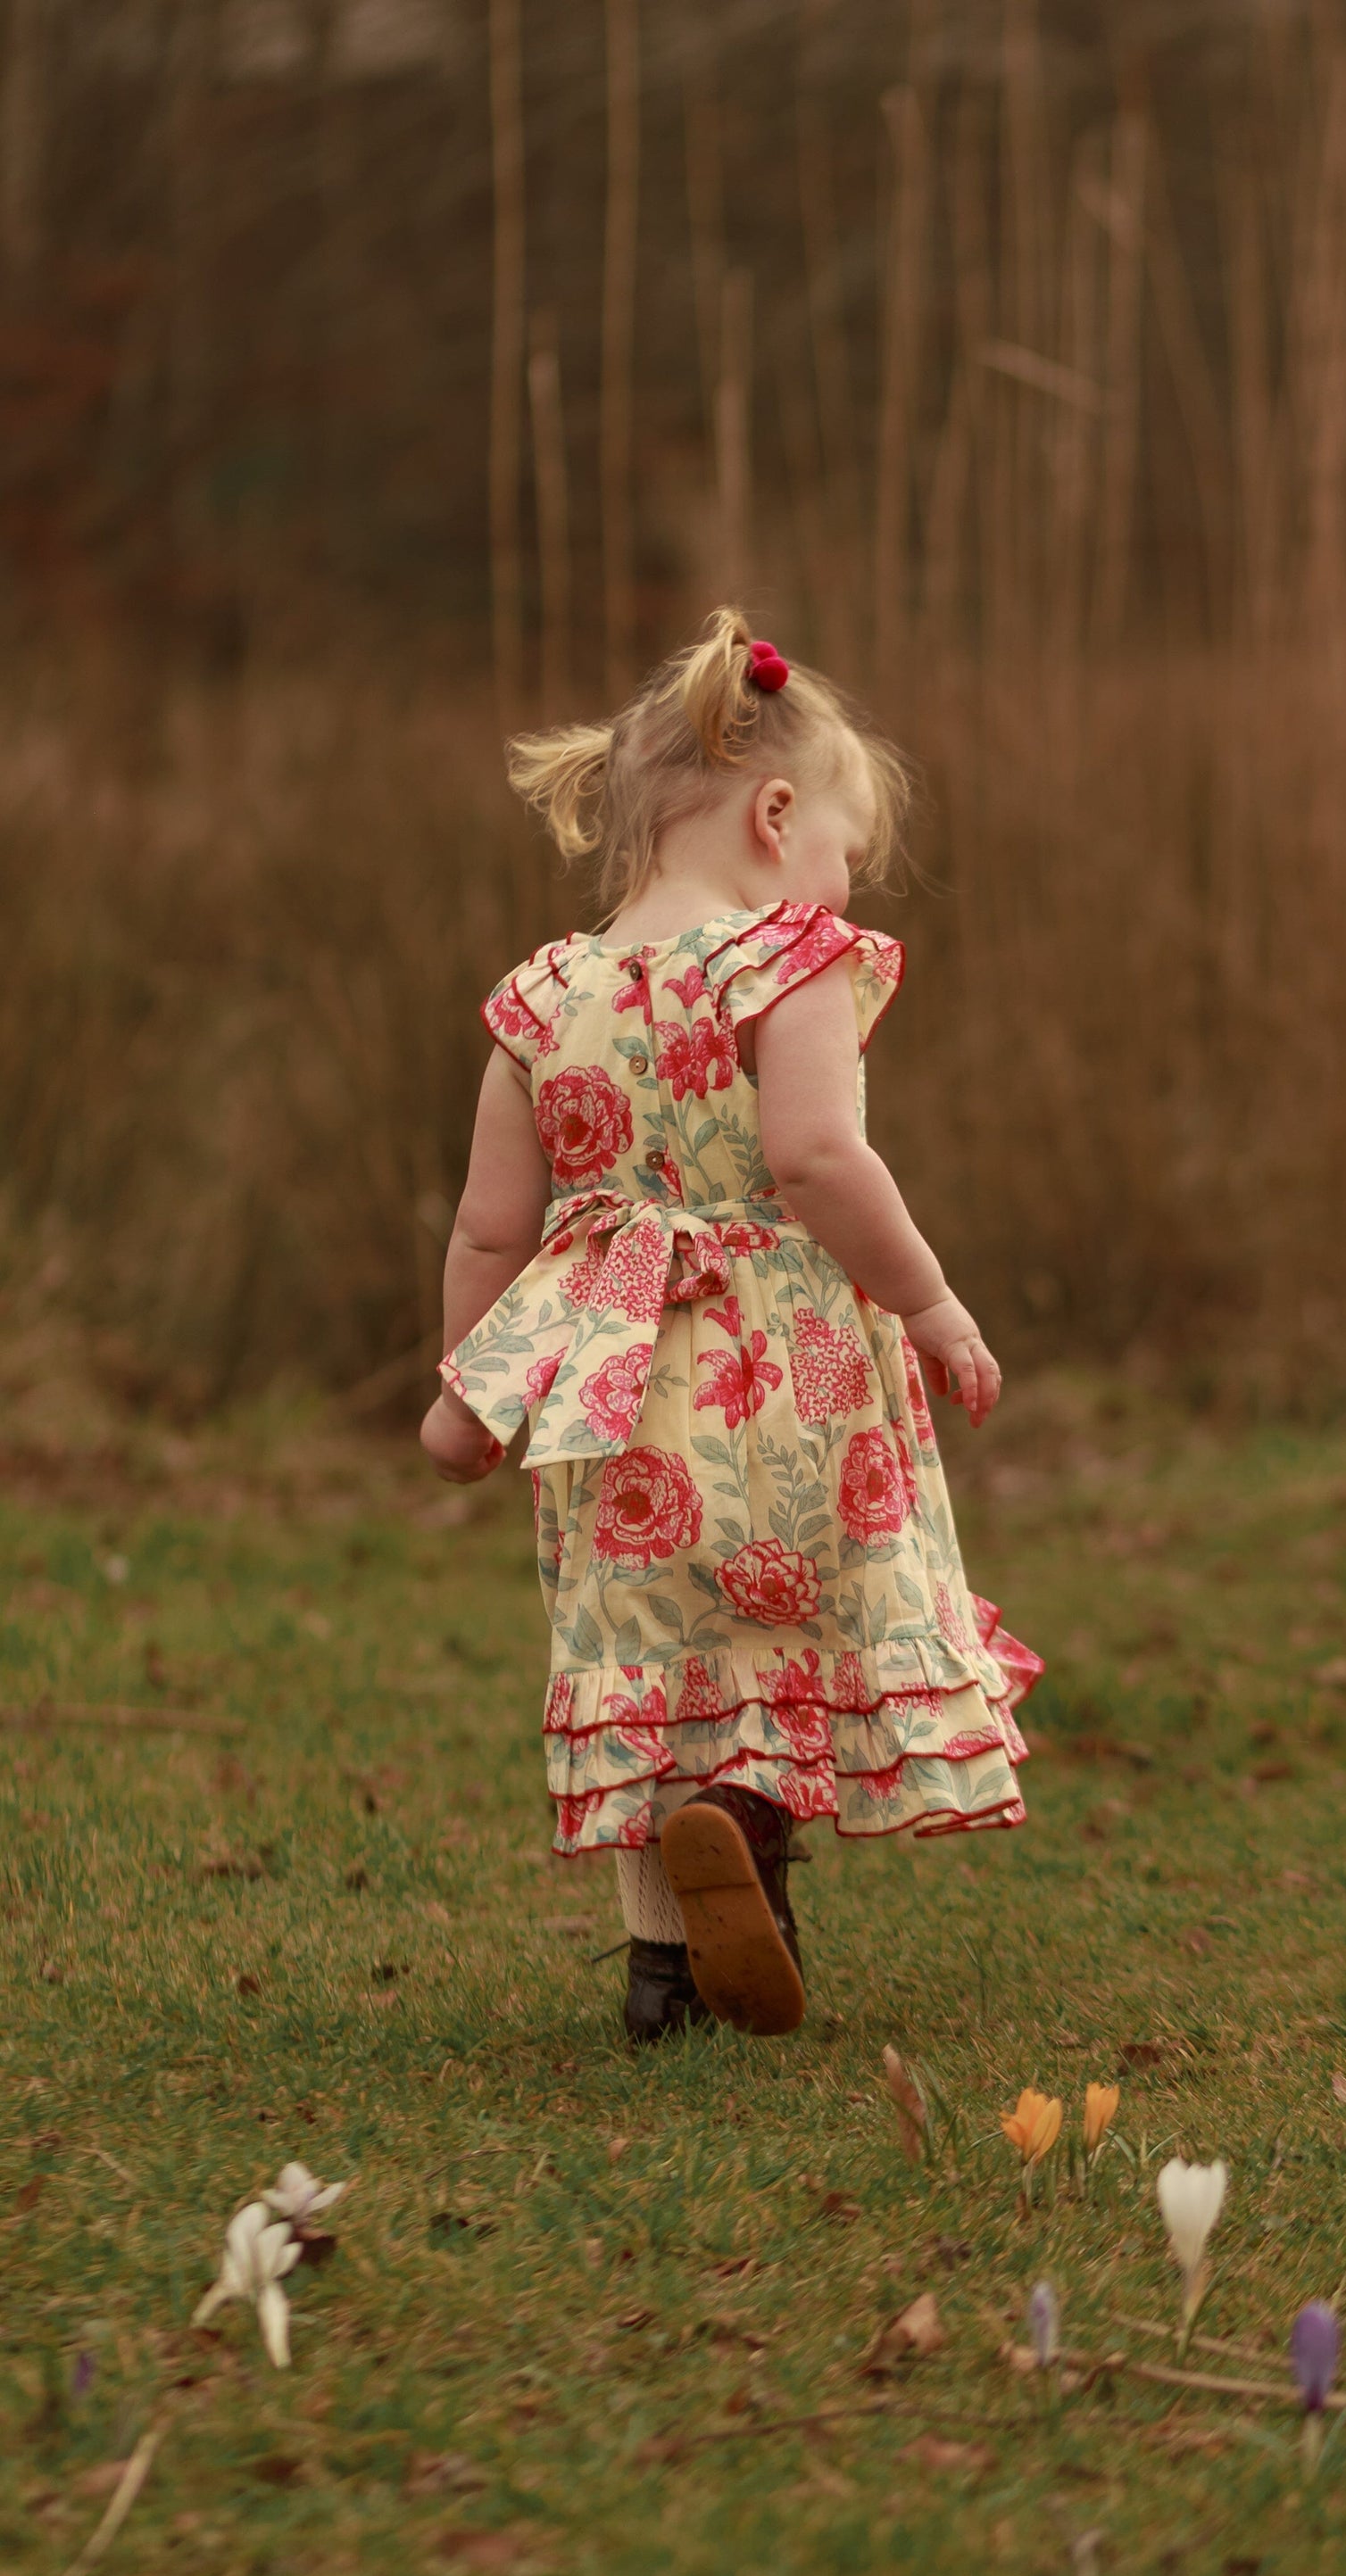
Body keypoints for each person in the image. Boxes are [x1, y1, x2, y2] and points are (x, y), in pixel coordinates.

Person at [420, 608, 1042, 2043]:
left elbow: (488, 1228)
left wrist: (470, 1394)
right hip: (783, 1382)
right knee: (775, 1634)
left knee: (653, 1659)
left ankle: (660, 1974)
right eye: (840, 847)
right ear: (774, 815)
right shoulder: (786, 961)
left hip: (606, 1392)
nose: (842, 881)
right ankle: (744, 1836)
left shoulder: (541, 997)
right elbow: (821, 1159)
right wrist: (934, 1303)